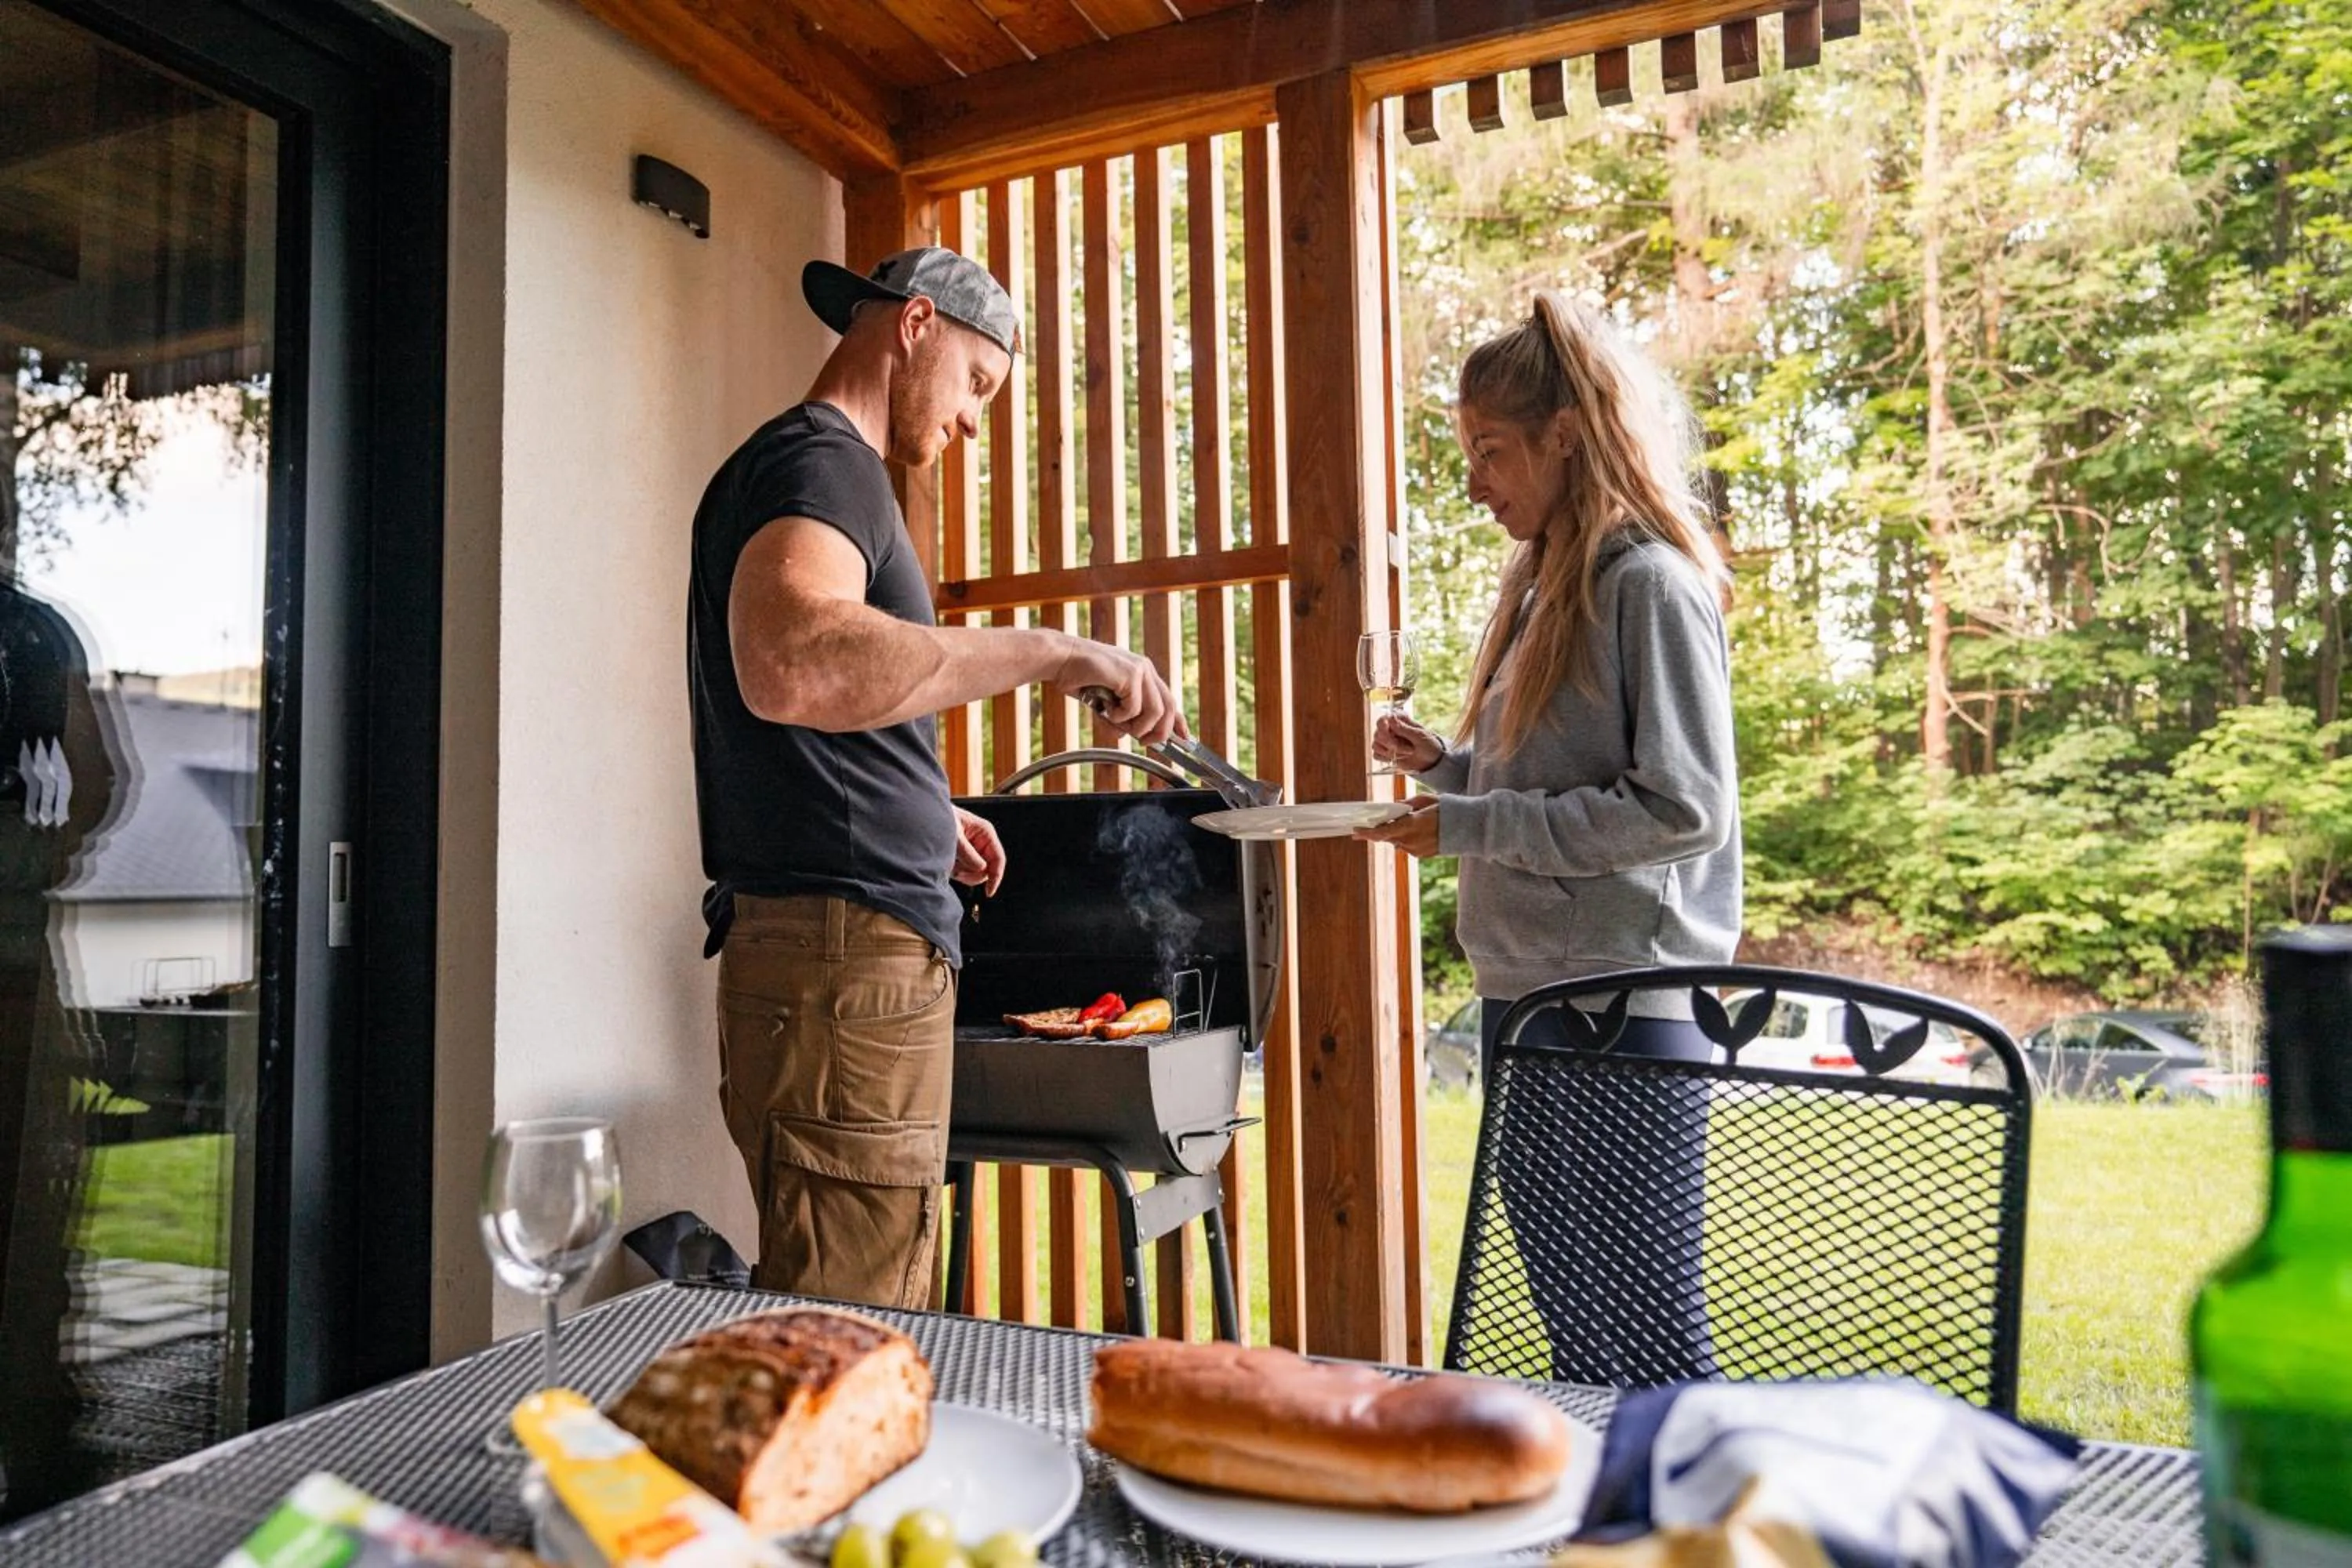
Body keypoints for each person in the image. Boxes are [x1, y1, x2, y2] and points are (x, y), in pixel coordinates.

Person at [688, 246, 1185, 1311]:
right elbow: (792, 659)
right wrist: (1056, 651)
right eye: (978, 383)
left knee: (854, 1302)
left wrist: (916, 805)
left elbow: (810, 696)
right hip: (844, 971)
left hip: (836, 962)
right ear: (916, 324)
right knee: (853, 1332)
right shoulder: (824, 463)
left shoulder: (816, 470)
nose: (972, 423)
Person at [1358, 289, 1740, 1385]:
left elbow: (1683, 808)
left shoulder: (1654, 587)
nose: (1473, 480)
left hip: (1625, 1009)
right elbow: (1554, 790)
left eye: (1489, 451)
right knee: (1580, 1336)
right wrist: (1448, 771)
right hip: (1530, 1002)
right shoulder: (1542, 592)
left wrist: (1468, 820)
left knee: (1655, 1343)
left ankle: (1706, 1549)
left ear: (1565, 439)